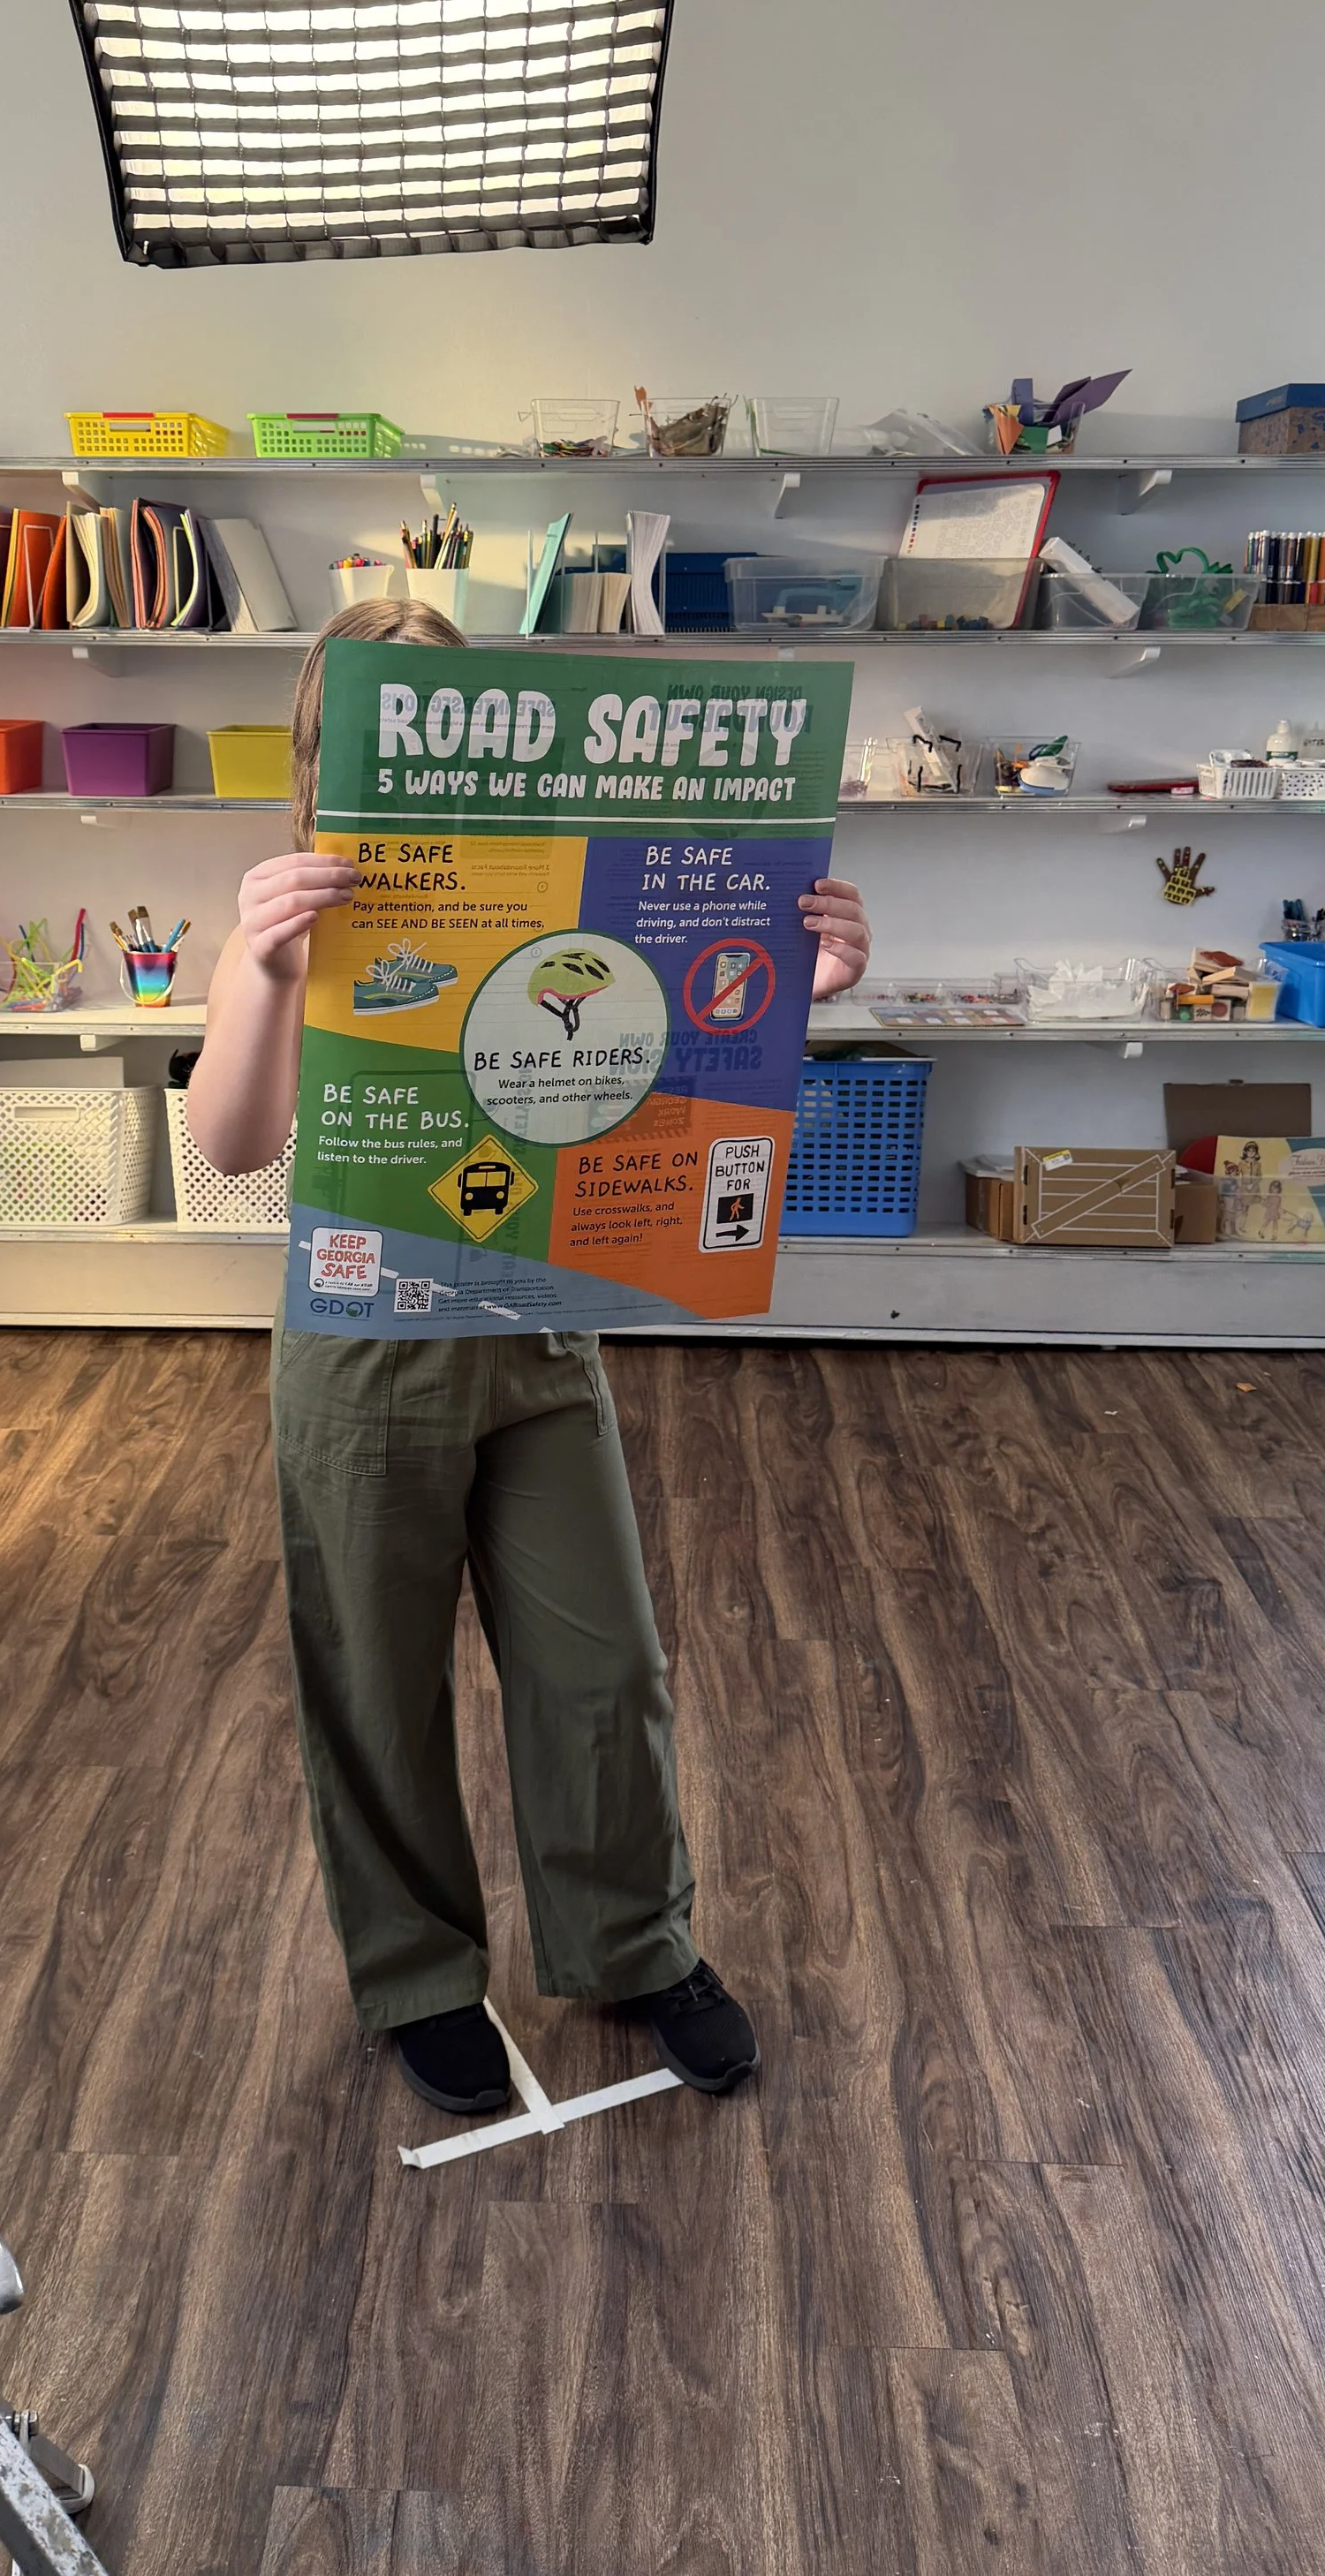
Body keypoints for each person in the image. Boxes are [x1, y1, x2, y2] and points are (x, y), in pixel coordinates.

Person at [186, 602, 873, 2118]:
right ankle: (420, 1972)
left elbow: (657, 1069)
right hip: (361, 1349)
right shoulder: (287, 918)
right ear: (333, 748)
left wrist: (795, 993)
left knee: (602, 1665)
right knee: (375, 1680)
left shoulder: (560, 892)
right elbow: (229, 1145)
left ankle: (635, 1943)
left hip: (538, 1326)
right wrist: (267, 966)